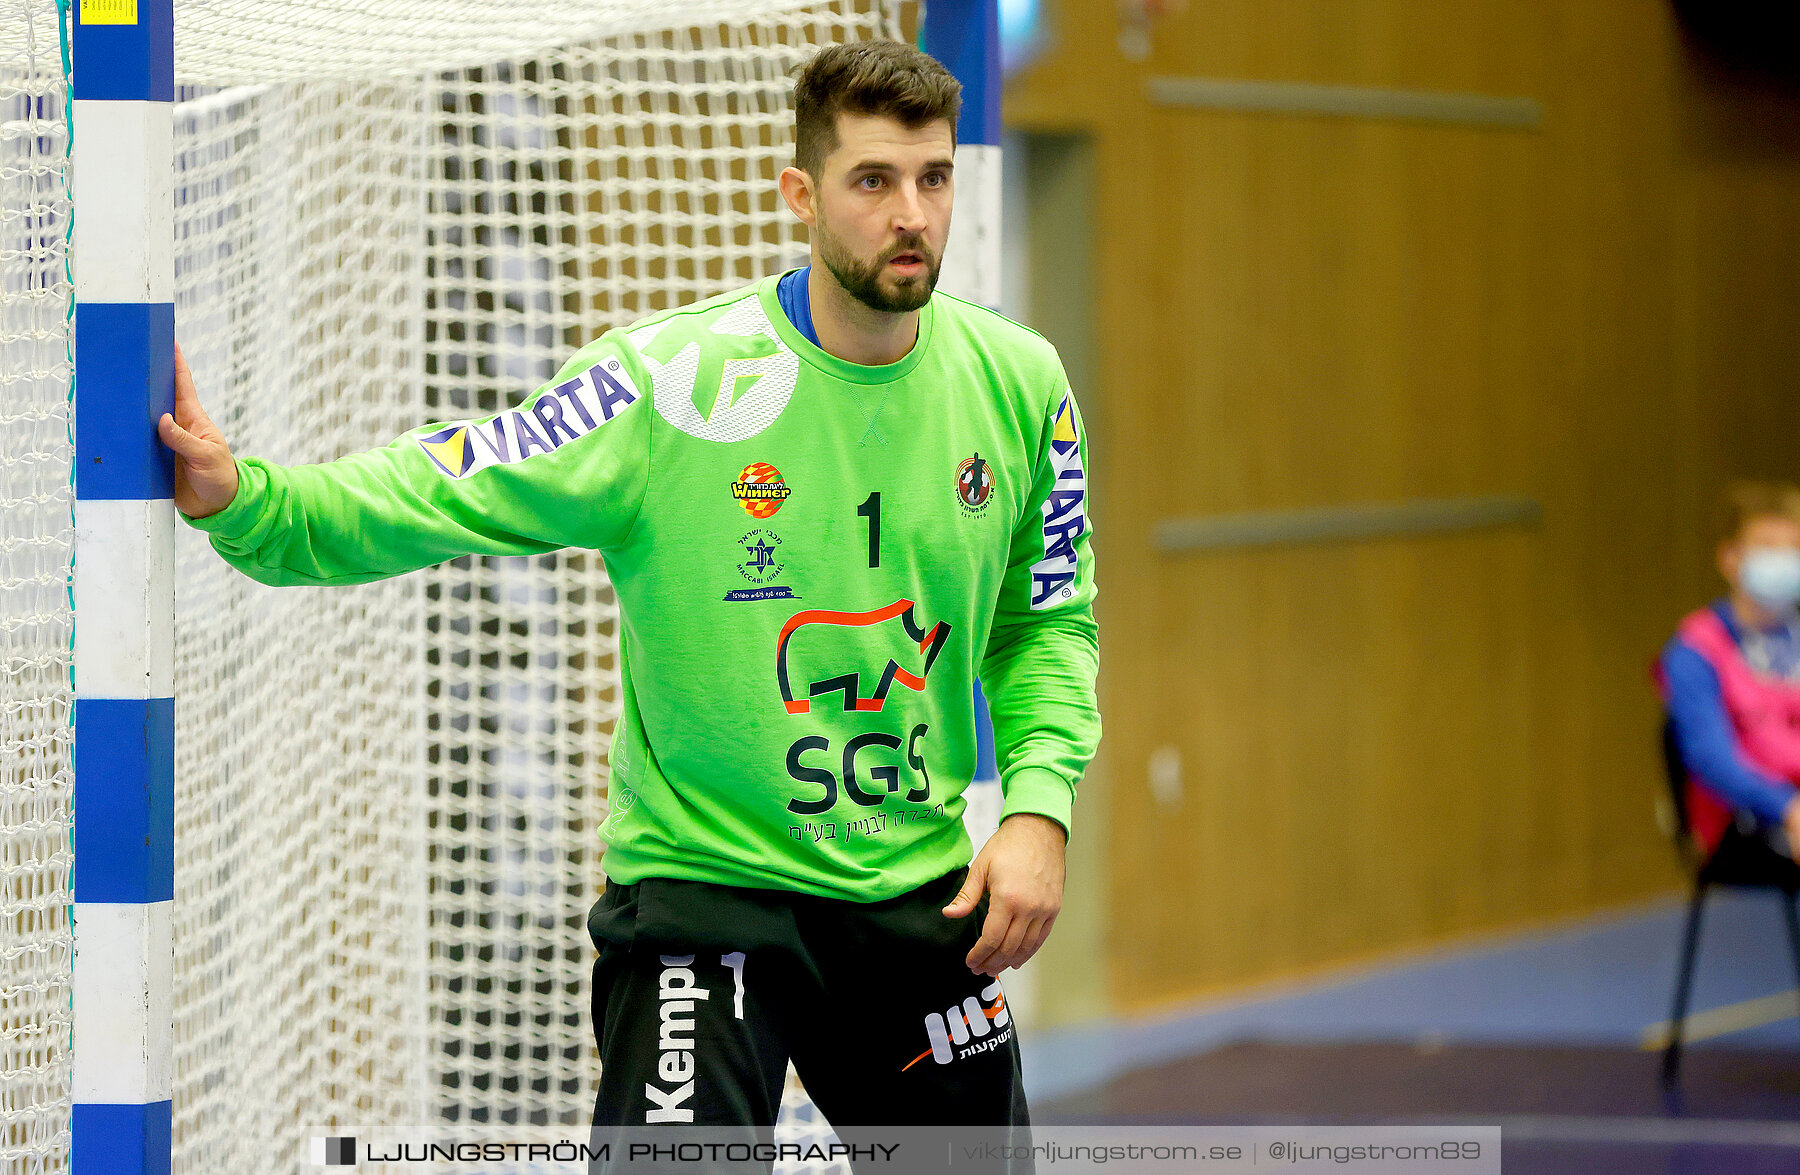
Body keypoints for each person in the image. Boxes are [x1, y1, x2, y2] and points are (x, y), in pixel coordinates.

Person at [158, 38, 1098, 1159]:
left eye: (933, 178)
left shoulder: (1023, 382)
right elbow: (449, 479)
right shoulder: (671, 383)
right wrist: (248, 500)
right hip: (706, 898)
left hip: (913, 892)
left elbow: (1046, 623)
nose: (913, 215)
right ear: (801, 193)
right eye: (874, 180)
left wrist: (1038, 806)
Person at [1659, 481, 1800, 860]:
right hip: (1743, 820)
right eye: (1769, 548)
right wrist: (1788, 808)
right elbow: (1710, 758)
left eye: (1794, 550)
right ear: (1730, 558)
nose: (1784, 561)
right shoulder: (1695, 651)